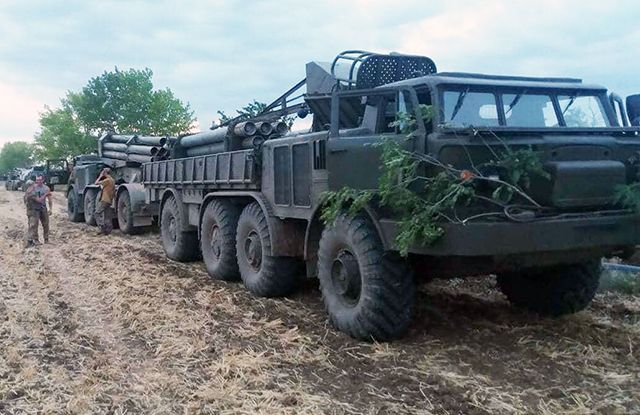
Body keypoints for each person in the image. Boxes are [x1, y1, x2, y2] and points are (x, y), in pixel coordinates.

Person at [25, 175, 52, 245]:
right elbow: (39, 200)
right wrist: (46, 194)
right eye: (37, 180)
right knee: (34, 225)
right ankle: (35, 240)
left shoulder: (46, 188)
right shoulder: (32, 190)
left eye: (40, 180)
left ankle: (46, 239)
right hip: (34, 209)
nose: (38, 181)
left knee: (46, 224)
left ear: (43, 180)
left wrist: (50, 208)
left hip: (43, 208)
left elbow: (50, 199)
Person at [94, 167, 116, 235]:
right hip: (109, 200)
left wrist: (100, 176)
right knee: (107, 216)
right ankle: (108, 230)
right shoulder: (113, 180)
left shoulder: (107, 180)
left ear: (105, 173)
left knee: (97, 213)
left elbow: (96, 183)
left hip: (104, 200)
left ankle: (102, 228)